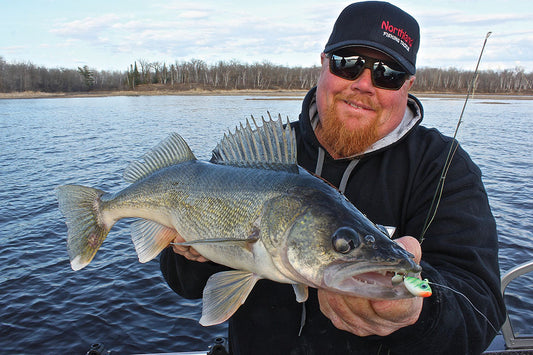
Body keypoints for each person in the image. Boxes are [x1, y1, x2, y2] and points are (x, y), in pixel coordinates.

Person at [160, 1, 506, 354]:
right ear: (324, 64)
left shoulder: (443, 166)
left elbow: (480, 307)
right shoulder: (261, 158)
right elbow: (184, 285)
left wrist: (419, 304)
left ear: (408, 85)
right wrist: (190, 254)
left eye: (389, 73)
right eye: (348, 64)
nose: (364, 84)